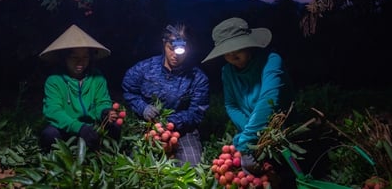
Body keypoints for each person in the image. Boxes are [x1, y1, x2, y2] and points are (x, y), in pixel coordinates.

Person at [202, 17, 292, 178]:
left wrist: (244, 142)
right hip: (253, 137)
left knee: (284, 178)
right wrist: (251, 136)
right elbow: (231, 105)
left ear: (249, 43)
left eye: (237, 49)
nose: (232, 56)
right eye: (226, 52)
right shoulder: (227, 72)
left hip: (283, 136)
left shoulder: (271, 61)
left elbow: (269, 100)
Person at [121, 23, 209, 166]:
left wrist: (171, 122)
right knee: (137, 164)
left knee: (191, 167)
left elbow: (197, 112)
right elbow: (129, 90)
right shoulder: (144, 69)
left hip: (182, 131)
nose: (175, 55)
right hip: (148, 127)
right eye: (171, 49)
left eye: (180, 51)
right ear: (164, 44)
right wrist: (142, 108)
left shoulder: (198, 78)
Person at [38, 24, 121, 153]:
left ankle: (109, 154)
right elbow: (53, 111)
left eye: (85, 57)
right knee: (49, 134)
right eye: (74, 57)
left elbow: (102, 101)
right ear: (64, 58)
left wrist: (104, 112)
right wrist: (79, 127)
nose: (80, 62)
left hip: (91, 128)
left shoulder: (97, 77)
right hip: (66, 128)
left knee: (115, 127)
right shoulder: (54, 80)